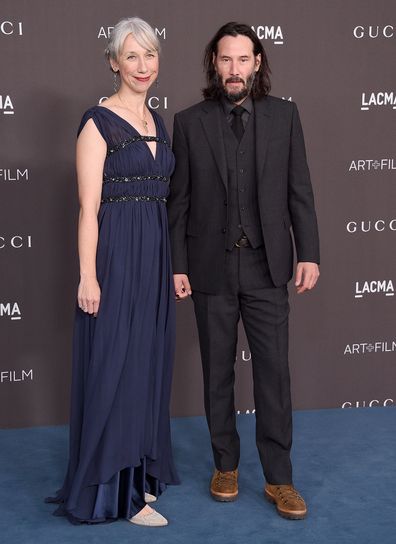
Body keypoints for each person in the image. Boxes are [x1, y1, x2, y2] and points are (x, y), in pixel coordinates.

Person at [167, 22, 320, 520]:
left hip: (268, 266)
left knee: (274, 376)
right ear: (215, 63)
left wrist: (309, 252)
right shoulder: (188, 122)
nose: (234, 69)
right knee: (217, 375)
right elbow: (179, 202)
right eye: (225, 60)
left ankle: (280, 479)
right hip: (210, 267)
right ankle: (225, 465)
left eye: (243, 59)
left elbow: (300, 190)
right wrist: (178, 265)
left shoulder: (285, 116)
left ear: (258, 63)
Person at [46, 17, 179, 527]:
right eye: (131, 56)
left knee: (145, 366)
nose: (142, 67)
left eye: (149, 55)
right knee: (116, 369)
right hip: (116, 257)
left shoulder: (156, 122)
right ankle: (113, 493)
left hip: (155, 253)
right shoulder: (96, 123)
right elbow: (88, 209)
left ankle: (138, 475)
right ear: (112, 63)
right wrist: (88, 276)